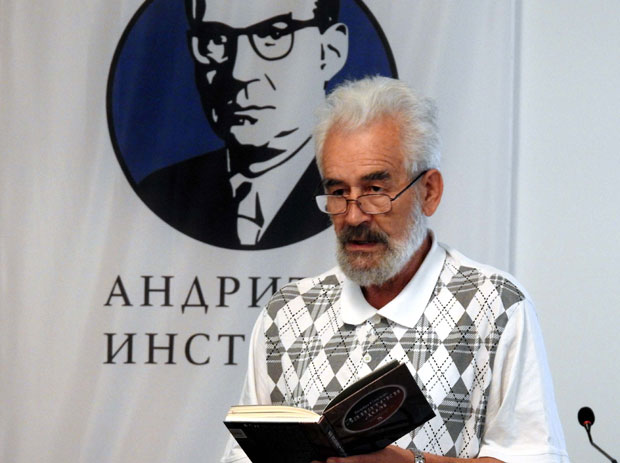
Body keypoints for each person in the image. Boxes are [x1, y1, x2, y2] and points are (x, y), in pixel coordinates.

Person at [221, 76, 570, 462]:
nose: (353, 216)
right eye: (338, 192)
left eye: (375, 191)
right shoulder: (286, 313)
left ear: (429, 192)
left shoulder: (496, 306)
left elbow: (538, 458)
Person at [137, 0, 348, 249]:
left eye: (273, 35)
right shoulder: (161, 195)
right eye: (215, 40)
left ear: (329, 51)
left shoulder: (364, 197)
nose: (239, 73)